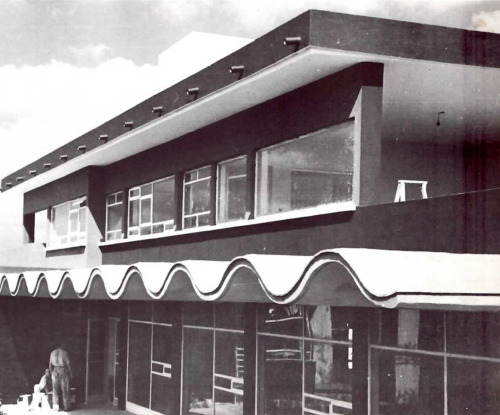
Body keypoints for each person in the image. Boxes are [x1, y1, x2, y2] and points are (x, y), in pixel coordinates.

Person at [49, 343, 73, 412]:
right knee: (65, 389)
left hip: (55, 371)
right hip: (63, 371)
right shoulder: (64, 353)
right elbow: (68, 364)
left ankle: (55, 407)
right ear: (61, 345)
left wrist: (51, 373)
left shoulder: (52, 353)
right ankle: (66, 407)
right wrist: (71, 373)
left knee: (55, 390)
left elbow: (50, 365)